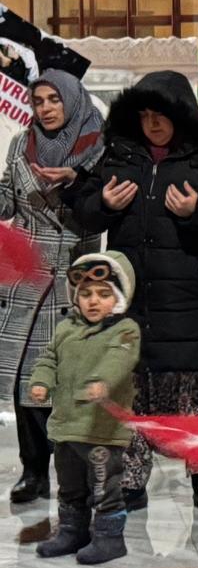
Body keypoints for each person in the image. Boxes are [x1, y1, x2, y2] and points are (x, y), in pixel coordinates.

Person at [71, 71, 198, 515]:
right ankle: (132, 483)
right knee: (132, 395)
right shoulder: (115, 156)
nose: (153, 123)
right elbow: (83, 211)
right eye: (145, 115)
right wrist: (105, 205)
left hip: (194, 302)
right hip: (134, 302)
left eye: (162, 115)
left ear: (182, 114)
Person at [1, 70, 103, 505]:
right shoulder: (19, 145)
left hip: (72, 275)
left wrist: (76, 183)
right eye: (38, 100)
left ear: (71, 100)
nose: (45, 108)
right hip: (26, 276)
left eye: (53, 99)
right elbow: (9, 198)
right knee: (27, 381)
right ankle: (33, 472)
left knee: (69, 383)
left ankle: (77, 475)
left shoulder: (97, 146)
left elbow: (100, 212)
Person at [29, 251, 141, 565]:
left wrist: (102, 381)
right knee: (70, 485)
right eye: (86, 294)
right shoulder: (66, 329)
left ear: (119, 298)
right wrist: (41, 380)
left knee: (105, 487)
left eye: (104, 294)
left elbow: (119, 360)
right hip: (66, 427)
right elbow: (48, 358)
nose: (93, 301)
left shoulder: (125, 331)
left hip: (102, 431)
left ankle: (109, 538)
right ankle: (72, 530)